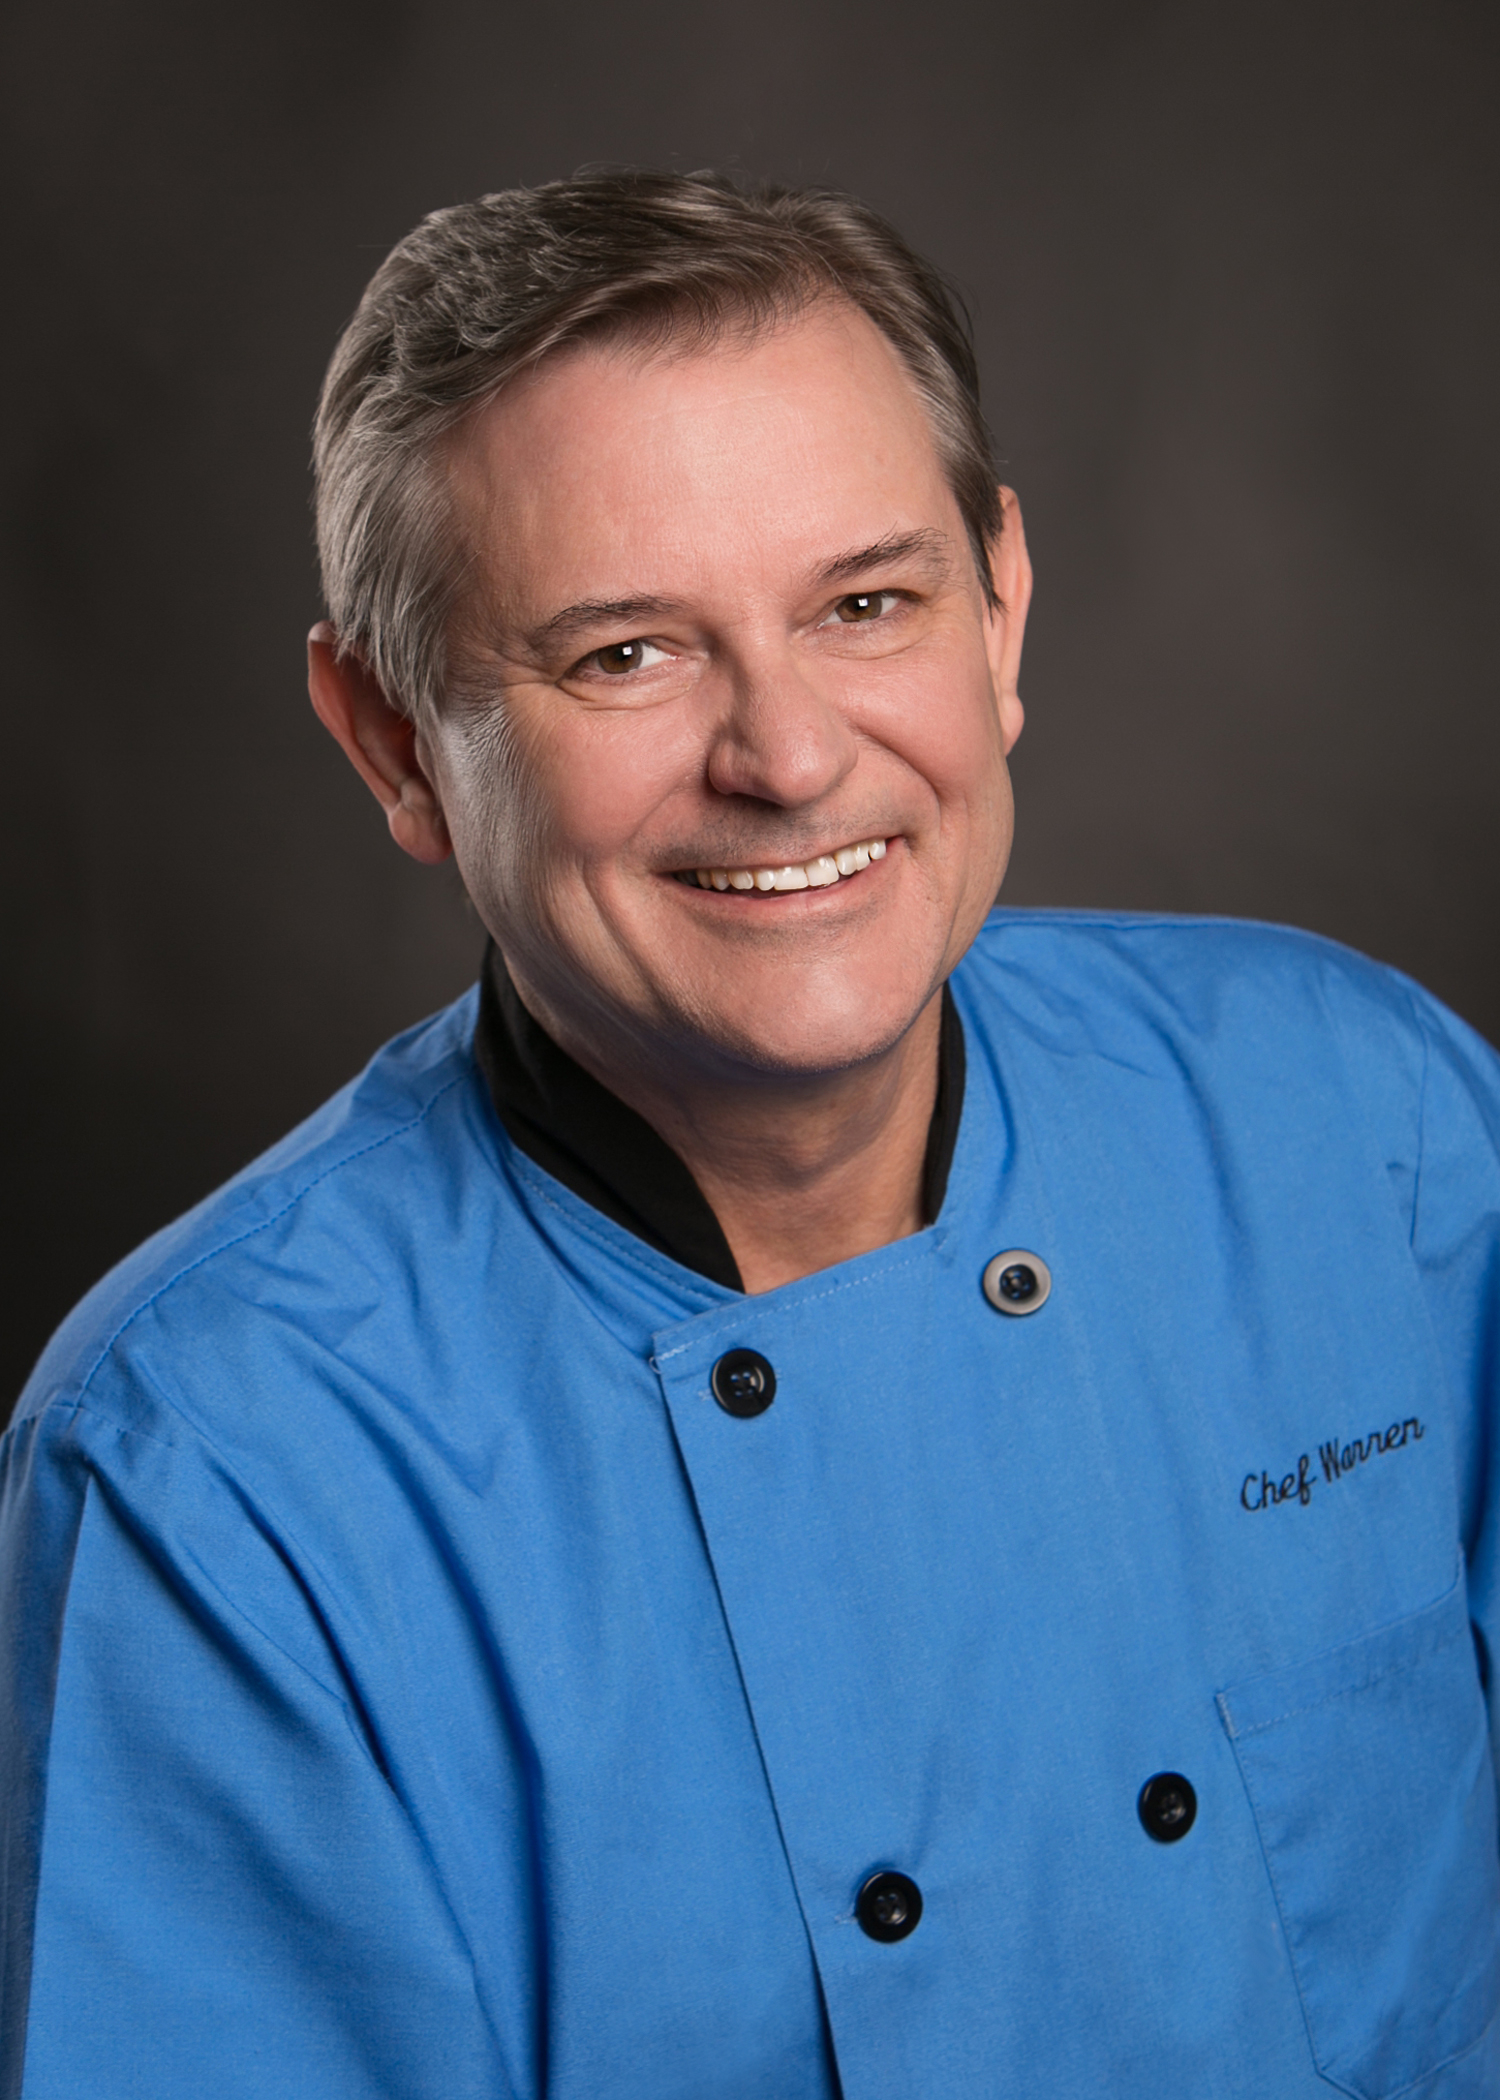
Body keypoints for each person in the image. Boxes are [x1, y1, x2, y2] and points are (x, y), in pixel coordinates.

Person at [3, 170, 1499, 2100]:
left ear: (1001, 610)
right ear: (394, 743)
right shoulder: (214, 1471)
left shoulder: (1360, 1120)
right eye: (625, 653)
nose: (787, 759)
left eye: (866, 604)